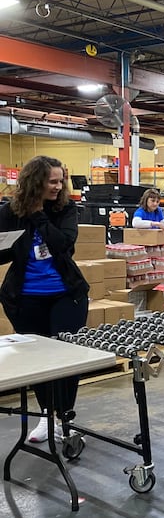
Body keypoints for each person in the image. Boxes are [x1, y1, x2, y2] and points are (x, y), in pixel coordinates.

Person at [0, 155, 90, 443]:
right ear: (35, 181)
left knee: (67, 357)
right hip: (26, 299)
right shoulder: (11, 211)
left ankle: (65, 418)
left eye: (60, 180)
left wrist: (39, 214)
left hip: (66, 295)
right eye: (52, 181)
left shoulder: (65, 208)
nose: (58, 185)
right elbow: (5, 252)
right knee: (37, 361)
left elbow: (63, 245)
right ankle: (47, 417)